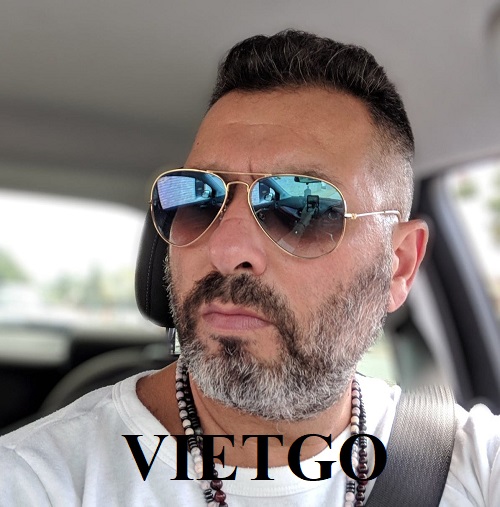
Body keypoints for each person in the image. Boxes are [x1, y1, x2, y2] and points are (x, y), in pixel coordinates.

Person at [0, 29, 498, 507]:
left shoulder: (474, 466)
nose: (226, 249)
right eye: (199, 199)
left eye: (301, 207)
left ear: (399, 266)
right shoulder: (38, 480)